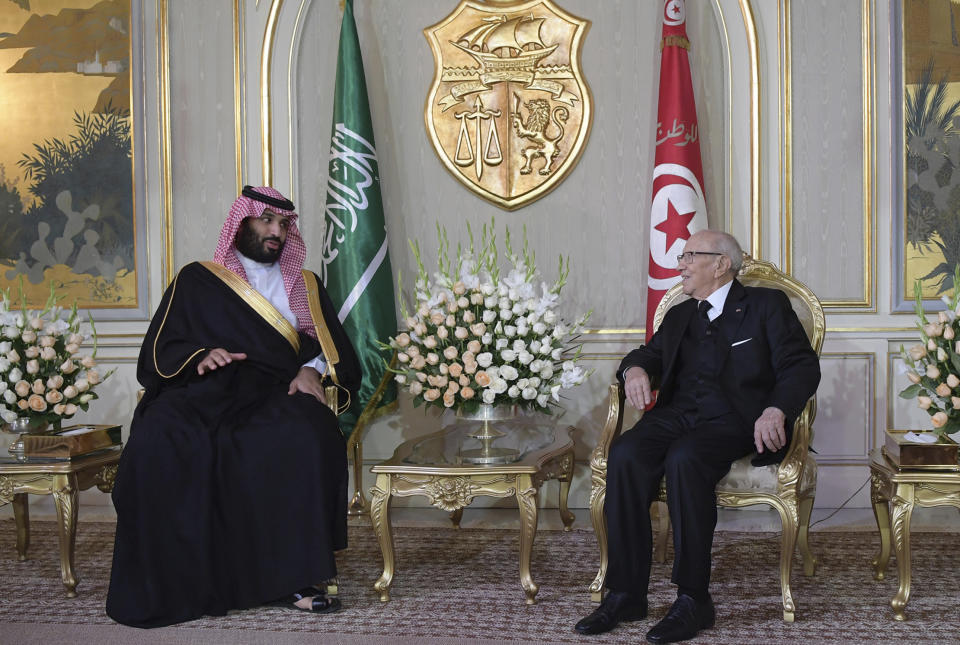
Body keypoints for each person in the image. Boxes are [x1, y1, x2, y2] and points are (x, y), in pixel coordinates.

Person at [107, 186, 362, 628]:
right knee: (161, 435)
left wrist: (312, 370)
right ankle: (174, 577)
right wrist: (200, 356)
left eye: (284, 225)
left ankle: (295, 580)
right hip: (205, 390)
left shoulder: (304, 285)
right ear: (240, 223)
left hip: (273, 390)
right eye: (266, 221)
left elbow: (330, 346)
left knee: (304, 431)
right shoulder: (198, 278)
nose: (276, 232)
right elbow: (161, 347)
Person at [574, 230, 820, 643]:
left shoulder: (765, 306)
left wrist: (776, 409)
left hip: (736, 420)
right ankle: (626, 593)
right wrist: (634, 370)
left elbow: (800, 366)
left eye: (689, 256)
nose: (680, 264)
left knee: (685, 459)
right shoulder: (680, 314)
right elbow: (647, 355)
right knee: (627, 453)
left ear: (720, 264)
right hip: (678, 415)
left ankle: (693, 599)